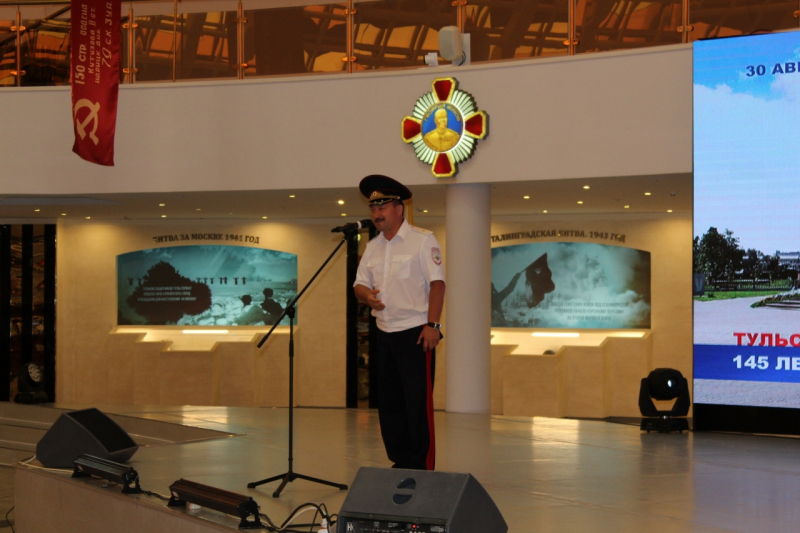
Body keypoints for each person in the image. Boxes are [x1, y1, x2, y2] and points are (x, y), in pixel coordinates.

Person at [353, 174, 445, 471]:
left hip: (415, 333)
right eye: (373, 208)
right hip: (384, 333)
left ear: (398, 208)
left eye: (382, 207)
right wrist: (367, 296)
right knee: (390, 402)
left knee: (417, 402)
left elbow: (438, 284)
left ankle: (421, 464)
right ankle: (400, 461)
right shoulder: (373, 246)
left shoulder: (422, 240)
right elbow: (359, 285)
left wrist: (433, 325)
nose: (376, 214)